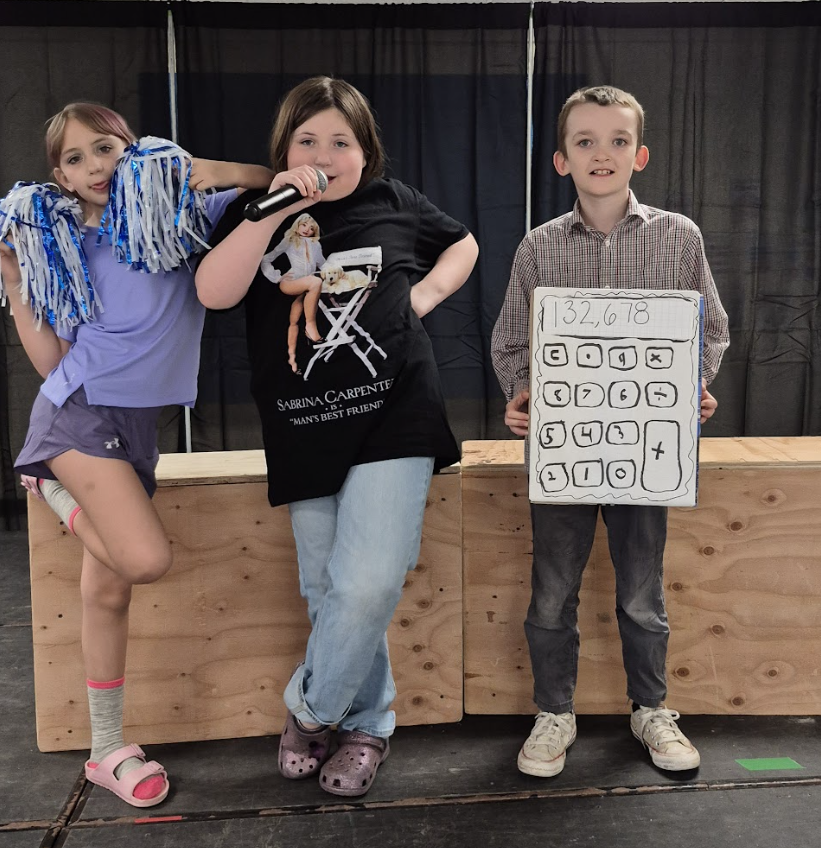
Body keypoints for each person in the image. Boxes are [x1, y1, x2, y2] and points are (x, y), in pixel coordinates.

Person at [196, 77, 478, 797]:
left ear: (366, 149)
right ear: (285, 149)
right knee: (328, 592)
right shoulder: (255, 213)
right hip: (302, 427)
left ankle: (311, 708)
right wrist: (273, 207)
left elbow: (464, 244)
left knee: (370, 579)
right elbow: (215, 292)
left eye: (341, 141)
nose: (325, 153)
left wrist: (425, 296)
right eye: (308, 140)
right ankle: (369, 725)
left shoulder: (396, 202)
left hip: (396, 412)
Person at [0, 102, 272, 807]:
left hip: (137, 427)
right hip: (78, 413)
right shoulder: (66, 242)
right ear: (57, 174)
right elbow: (53, 357)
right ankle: (48, 483)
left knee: (109, 588)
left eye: (107, 148)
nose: (94, 168)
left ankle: (105, 749)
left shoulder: (177, 214)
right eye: (75, 159)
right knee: (144, 560)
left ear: (133, 148)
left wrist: (188, 170)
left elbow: (264, 181)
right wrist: (20, 289)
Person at [491, 85, 729, 778]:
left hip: (647, 452)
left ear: (640, 154)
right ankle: (553, 713)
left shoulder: (678, 237)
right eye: (586, 142)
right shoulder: (538, 248)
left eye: (618, 140)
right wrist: (521, 396)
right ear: (562, 160)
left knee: (641, 593)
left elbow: (708, 330)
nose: (603, 153)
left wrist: (691, 391)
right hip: (563, 455)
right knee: (552, 591)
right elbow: (511, 342)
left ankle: (651, 709)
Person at [261, 213, 327, 371]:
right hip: (291, 282)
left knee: (294, 320)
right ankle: (311, 328)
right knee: (315, 281)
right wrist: (276, 277)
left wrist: (336, 272)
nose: (306, 230)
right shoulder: (290, 241)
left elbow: (323, 264)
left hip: (305, 287)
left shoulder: (315, 245)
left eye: (311, 228)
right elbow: (266, 259)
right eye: (304, 225)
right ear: (297, 225)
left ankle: (292, 362)